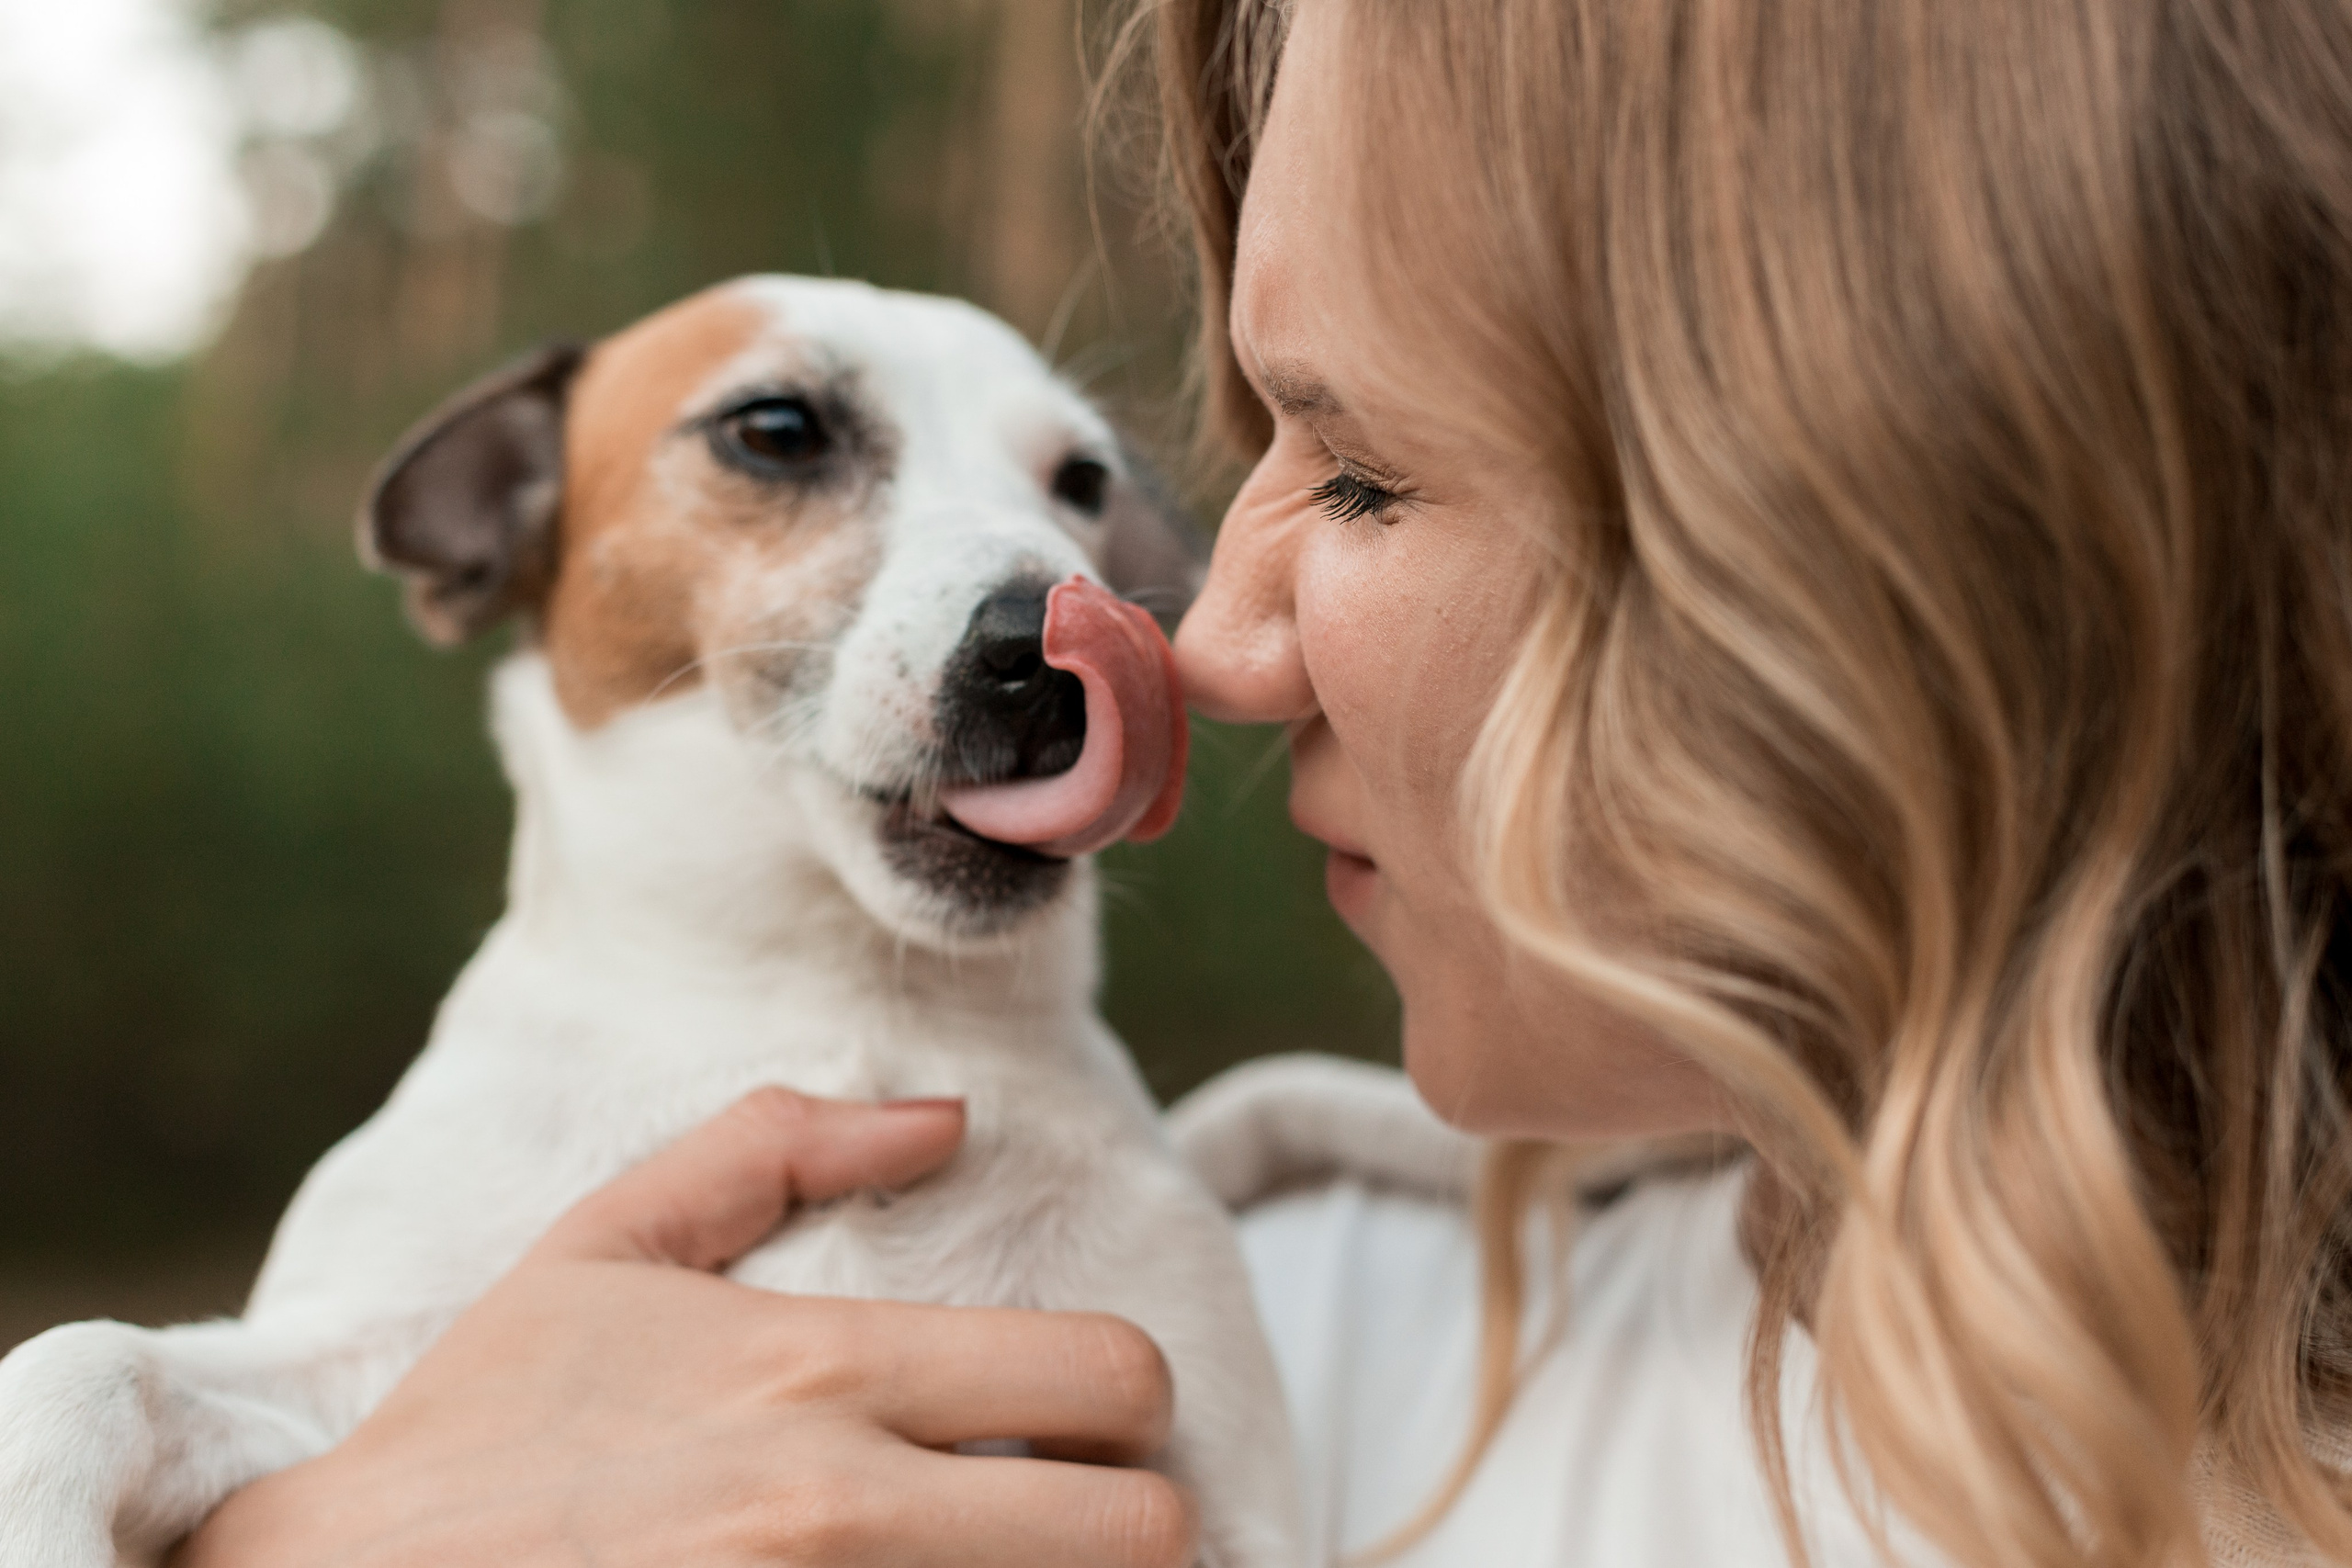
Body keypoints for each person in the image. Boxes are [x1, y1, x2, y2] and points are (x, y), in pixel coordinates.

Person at [170, 0, 2352, 1562]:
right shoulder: (1309, 1289)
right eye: (786, 438)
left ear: (1890, 527)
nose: (1180, 638)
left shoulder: (1232, 1319)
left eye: (1375, 468)